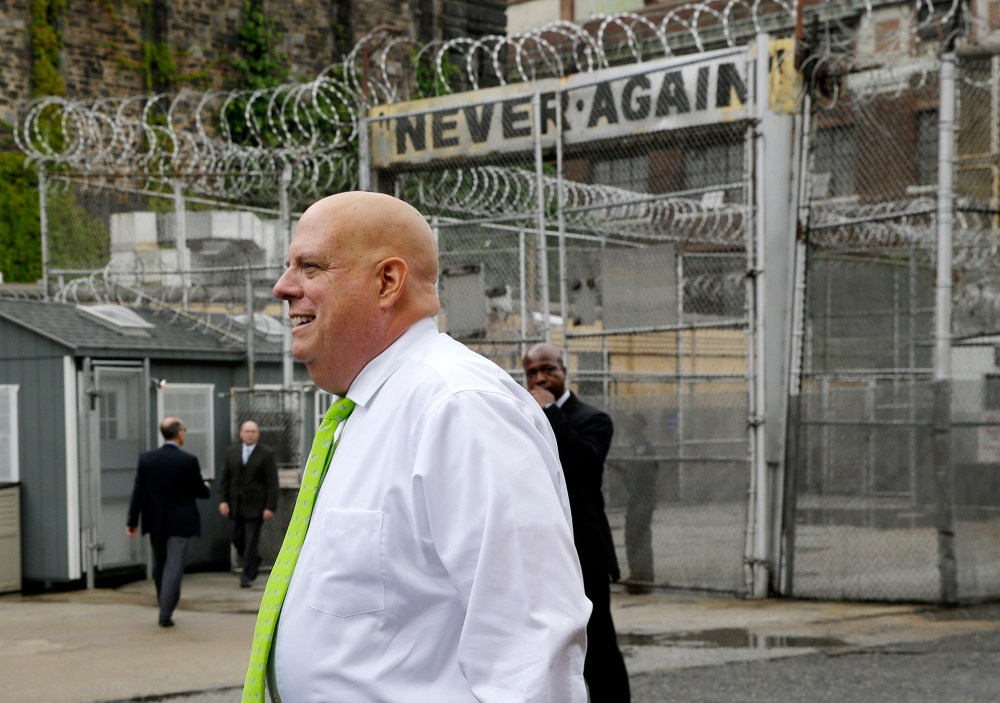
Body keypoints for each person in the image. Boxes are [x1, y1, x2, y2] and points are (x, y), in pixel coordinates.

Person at [246, 191, 590, 702]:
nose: (283, 286)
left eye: (310, 267)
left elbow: (531, 651)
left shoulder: (459, 407)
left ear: (387, 282)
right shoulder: (367, 410)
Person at [522, 343, 631, 702]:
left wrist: (550, 411)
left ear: (564, 371)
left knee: (598, 646)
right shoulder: (524, 417)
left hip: (585, 552)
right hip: (541, 552)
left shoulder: (592, 419)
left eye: (547, 369)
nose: (540, 378)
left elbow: (581, 464)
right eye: (532, 372)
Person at [126, 417, 211, 628]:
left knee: (160, 564)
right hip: (181, 522)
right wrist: (206, 486)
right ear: (179, 433)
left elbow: (139, 491)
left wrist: (132, 520)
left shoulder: (146, 459)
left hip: (155, 520)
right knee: (174, 567)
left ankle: (162, 599)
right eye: (184, 429)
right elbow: (199, 491)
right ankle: (165, 613)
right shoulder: (188, 460)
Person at [218, 420, 279, 588]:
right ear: (241, 434)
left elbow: (272, 482)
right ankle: (254, 560)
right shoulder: (232, 451)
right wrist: (223, 500)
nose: (250, 434)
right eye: (247, 431)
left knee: (251, 540)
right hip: (235, 504)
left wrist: (270, 506)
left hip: (256, 506)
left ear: (258, 434)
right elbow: (225, 478)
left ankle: (246, 576)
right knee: (236, 538)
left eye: (253, 431)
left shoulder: (266, 453)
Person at [618, 411, 659, 592]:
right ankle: (639, 575)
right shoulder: (635, 444)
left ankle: (642, 577)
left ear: (639, 426)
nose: (628, 426)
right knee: (634, 535)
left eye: (632, 423)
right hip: (637, 496)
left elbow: (642, 471)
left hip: (643, 497)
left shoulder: (642, 445)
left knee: (638, 534)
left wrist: (624, 467)